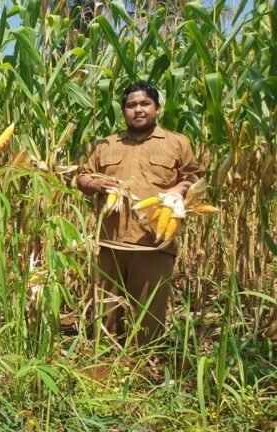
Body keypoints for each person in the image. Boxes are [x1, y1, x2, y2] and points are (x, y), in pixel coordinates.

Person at [77, 81, 203, 346]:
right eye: (131, 105)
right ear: (123, 111)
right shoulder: (106, 145)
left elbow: (194, 178)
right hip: (109, 243)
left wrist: (178, 191)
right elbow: (82, 177)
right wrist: (95, 183)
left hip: (153, 244)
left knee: (149, 317)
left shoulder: (177, 143)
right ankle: (106, 366)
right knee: (106, 316)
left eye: (145, 103)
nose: (138, 110)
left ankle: (145, 366)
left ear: (157, 108)